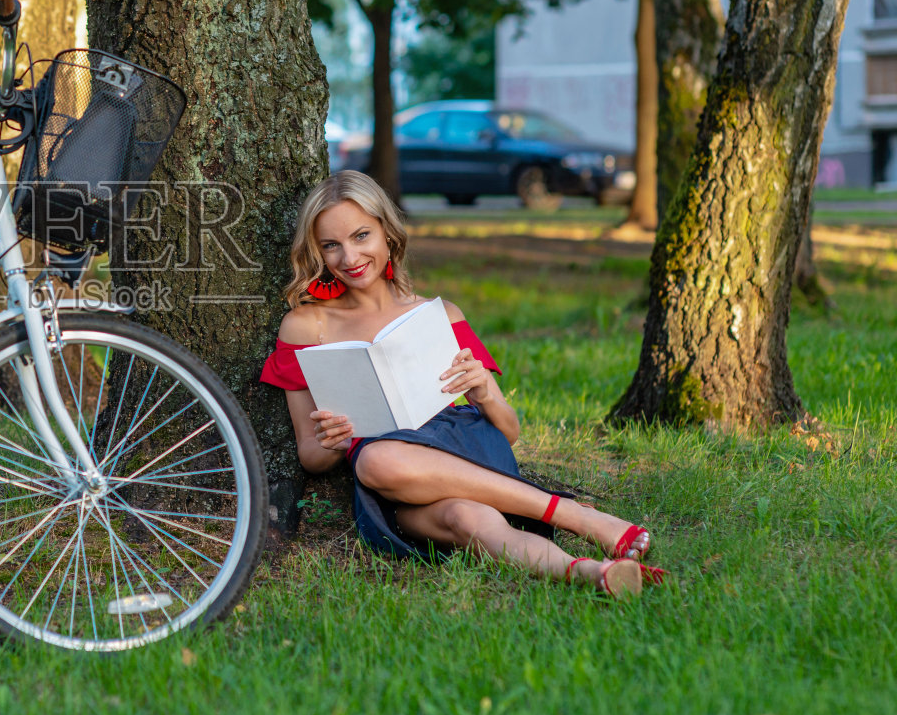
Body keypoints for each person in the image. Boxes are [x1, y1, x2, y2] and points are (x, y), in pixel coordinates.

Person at [260, 171, 663, 598]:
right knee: (462, 517)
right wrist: (332, 441)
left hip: (464, 445)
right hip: (393, 481)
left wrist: (485, 391)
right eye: (331, 245)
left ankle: (575, 517)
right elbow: (310, 454)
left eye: (362, 236)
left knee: (379, 461)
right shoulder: (307, 326)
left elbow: (508, 431)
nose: (350, 256)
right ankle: (593, 574)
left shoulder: (438, 315)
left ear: (388, 234)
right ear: (317, 252)